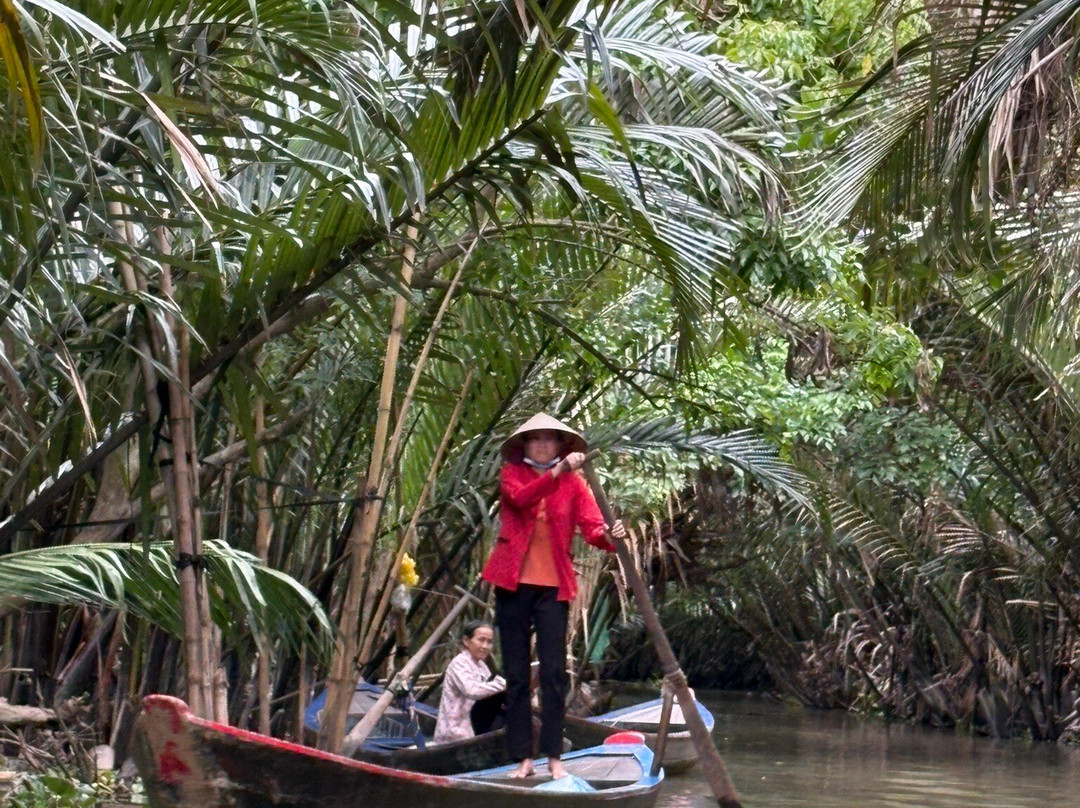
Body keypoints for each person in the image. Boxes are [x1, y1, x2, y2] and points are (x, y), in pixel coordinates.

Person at [481, 413, 626, 779]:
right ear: (525, 445)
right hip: (512, 585)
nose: (543, 445)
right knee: (515, 675)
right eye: (535, 439)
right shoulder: (512, 475)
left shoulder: (576, 485)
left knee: (553, 674)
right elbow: (522, 499)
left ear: (561, 445)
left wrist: (611, 535)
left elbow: (594, 529)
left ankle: (553, 758)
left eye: (550, 439)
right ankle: (522, 759)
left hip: (553, 588)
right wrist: (557, 473)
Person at [433, 620, 507, 744]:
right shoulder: (459, 663)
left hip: (475, 724)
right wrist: (503, 684)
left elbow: (492, 691)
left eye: (489, 642)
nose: (485, 646)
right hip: (456, 732)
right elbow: (471, 690)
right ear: (466, 641)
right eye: (481, 640)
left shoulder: (481, 666)